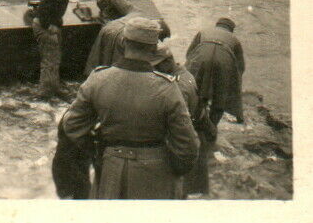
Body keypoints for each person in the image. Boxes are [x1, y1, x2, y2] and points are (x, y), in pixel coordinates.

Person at [59, 17, 200, 199]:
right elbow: (187, 145)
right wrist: (172, 170)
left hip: (111, 169)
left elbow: (71, 125)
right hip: (156, 175)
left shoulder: (98, 79)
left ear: (123, 43)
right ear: (153, 49)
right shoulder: (167, 88)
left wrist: (98, 152)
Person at [152, 45, 217, 197]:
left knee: (180, 190)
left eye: (156, 66)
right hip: (195, 131)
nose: (153, 70)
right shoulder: (184, 73)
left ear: (167, 62)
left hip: (185, 139)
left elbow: (178, 123)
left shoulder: (177, 85)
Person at [32, 0, 80, 98]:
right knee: (49, 60)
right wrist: (50, 26)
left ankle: (54, 87)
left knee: (55, 58)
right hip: (45, 25)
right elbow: (45, 9)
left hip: (53, 24)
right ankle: (45, 93)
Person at [185, 17, 245, 127]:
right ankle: (211, 128)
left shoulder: (203, 32)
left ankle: (193, 122)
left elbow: (189, 53)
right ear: (231, 29)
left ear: (217, 25)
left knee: (195, 91)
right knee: (219, 98)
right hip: (224, 60)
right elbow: (240, 67)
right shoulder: (235, 40)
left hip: (201, 56)